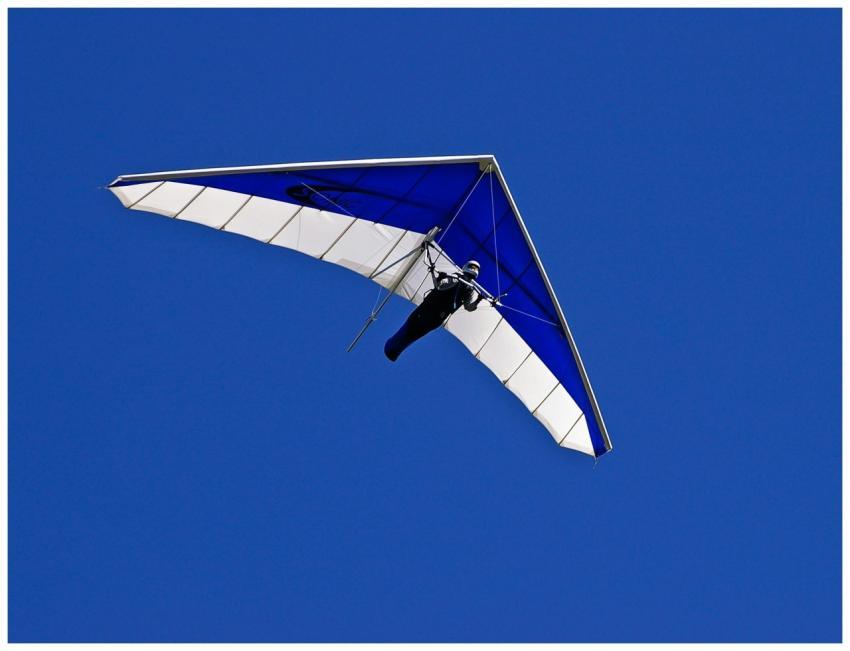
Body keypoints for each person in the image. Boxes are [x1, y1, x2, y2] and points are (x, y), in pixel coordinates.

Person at [384, 260, 484, 361]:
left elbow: (468, 307)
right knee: (408, 331)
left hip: (436, 318)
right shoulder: (455, 278)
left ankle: (393, 350)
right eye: (472, 267)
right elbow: (439, 286)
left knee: (413, 335)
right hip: (427, 310)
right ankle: (391, 349)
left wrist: (478, 300)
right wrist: (439, 277)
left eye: (475, 269)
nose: (473, 270)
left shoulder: (469, 289)